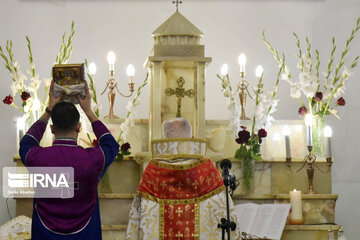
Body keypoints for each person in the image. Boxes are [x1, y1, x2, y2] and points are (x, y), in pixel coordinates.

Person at [19, 80, 119, 239]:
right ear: (79, 127)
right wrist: (89, 111)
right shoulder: (92, 160)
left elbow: (26, 142)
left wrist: (49, 109)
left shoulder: (37, 158)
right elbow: (111, 145)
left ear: (51, 129)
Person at [126, 118, 240, 240]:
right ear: (190, 136)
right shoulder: (206, 168)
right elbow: (223, 208)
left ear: (165, 137)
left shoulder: (153, 170)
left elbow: (137, 215)